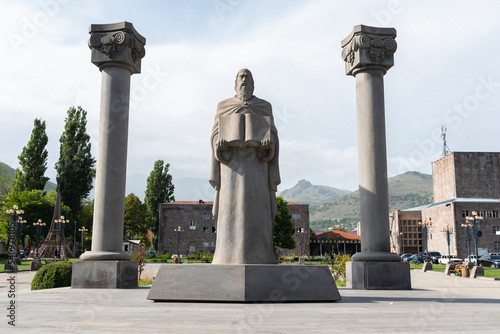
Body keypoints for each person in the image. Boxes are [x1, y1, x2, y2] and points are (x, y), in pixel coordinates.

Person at [209, 68, 280, 264]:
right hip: (231, 167)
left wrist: (269, 144)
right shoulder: (223, 106)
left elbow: (273, 134)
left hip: (257, 167)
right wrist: (219, 144)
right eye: (240, 77)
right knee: (230, 213)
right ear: (234, 83)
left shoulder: (264, 107)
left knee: (257, 212)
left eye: (247, 77)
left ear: (253, 84)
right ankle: (226, 257)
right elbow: (214, 133)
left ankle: (261, 256)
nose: (244, 80)